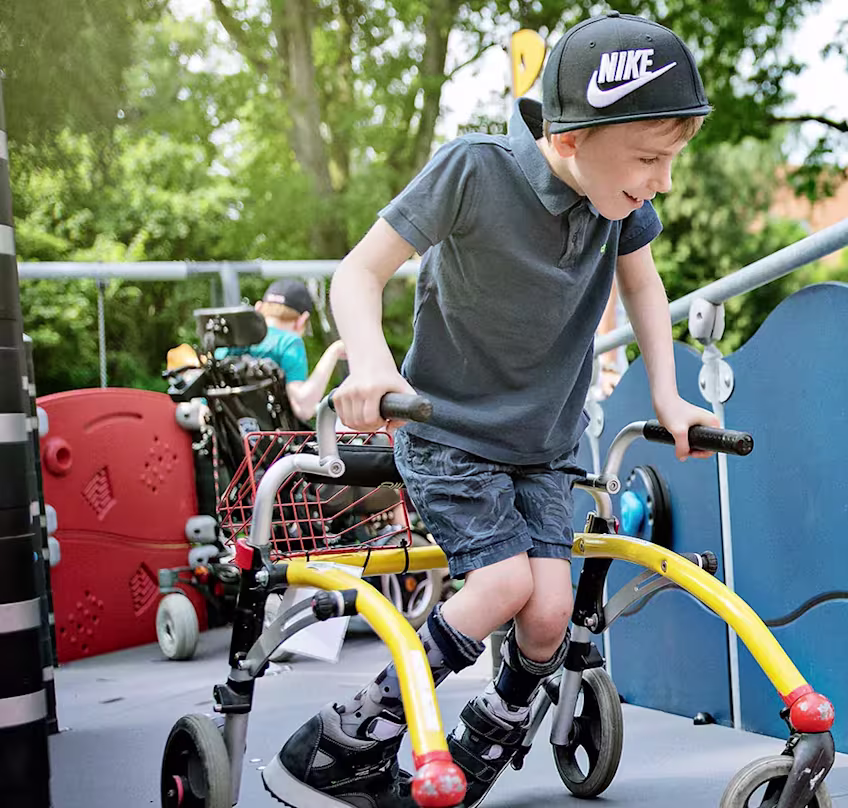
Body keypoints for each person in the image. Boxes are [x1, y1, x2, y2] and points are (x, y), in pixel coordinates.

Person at [261, 12, 719, 808]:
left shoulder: (620, 208)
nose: (663, 181)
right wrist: (370, 364)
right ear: (573, 138)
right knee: (505, 585)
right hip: (451, 436)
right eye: (650, 158)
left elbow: (643, 287)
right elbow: (358, 274)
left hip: (545, 447)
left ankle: (484, 738)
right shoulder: (473, 170)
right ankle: (343, 738)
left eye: (670, 159)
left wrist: (669, 394)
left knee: (548, 617)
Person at [215, 278, 347, 423]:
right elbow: (303, 407)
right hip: (267, 440)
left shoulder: (230, 339)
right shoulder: (289, 342)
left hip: (221, 434)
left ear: (259, 308)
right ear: (302, 320)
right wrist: (333, 352)